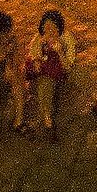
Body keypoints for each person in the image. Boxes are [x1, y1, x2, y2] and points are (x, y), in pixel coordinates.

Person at [18, 8, 78, 137]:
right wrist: (39, 54)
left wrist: (60, 52)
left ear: (59, 29)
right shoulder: (38, 40)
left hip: (62, 72)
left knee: (82, 77)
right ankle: (48, 121)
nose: (49, 32)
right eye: (46, 29)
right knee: (44, 85)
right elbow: (34, 63)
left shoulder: (67, 39)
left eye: (53, 29)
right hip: (46, 75)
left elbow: (68, 67)